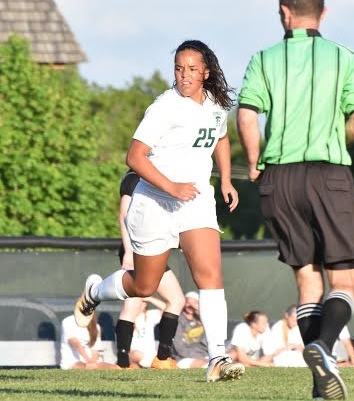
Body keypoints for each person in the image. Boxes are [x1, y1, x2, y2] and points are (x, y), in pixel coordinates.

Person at [74, 40, 244, 382]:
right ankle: (94, 291)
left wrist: (226, 178)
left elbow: (221, 138)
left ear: (206, 72)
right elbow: (134, 157)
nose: (184, 75)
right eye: (179, 68)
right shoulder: (165, 107)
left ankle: (217, 357)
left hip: (195, 201)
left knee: (210, 274)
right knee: (143, 285)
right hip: (154, 202)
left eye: (192, 69)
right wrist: (171, 187)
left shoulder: (215, 104)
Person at [237, 0, 354, 399]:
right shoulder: (344, 57)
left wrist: (255, 161)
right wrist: (339, 136)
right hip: (329, 175)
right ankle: (323, 346)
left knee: (308, 283)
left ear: (284, 12)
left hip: (280, 179)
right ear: (324, 13)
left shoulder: (264, 58)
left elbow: (246, 116)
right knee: (344, 282)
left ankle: (321, 384)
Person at [115, 167, 185, 369]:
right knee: (133, 305)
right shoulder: (135, 175)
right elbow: (124, 215)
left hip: (154, 249)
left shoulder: (161, 175)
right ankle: (123, 363)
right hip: (137, 249)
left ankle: (162, 358)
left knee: (176, 300)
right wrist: (128, 251)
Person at [171, 291, 209, 368]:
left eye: (194, 303)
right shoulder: (178, 320)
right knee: (209, 365)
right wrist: (202, 358)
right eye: (188, 303)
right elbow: (180, 349)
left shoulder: (201, 320)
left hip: (203, 355)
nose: (190, 306)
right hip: (182, 358)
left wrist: (200, 311)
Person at [129, 298, 166, 369]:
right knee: (135, 356)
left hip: (151, 355)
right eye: (138, 301)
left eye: (143, 302)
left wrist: (150, 298)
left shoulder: (150, 315)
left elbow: (166, 308)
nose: (140, 304)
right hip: (134, 355)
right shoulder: (127, 318)